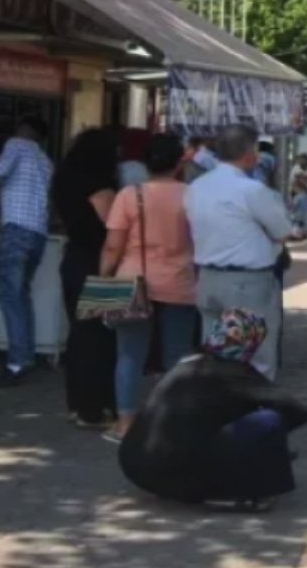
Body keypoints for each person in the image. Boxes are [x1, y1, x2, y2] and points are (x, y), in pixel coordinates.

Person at [118, 309, 307, 511]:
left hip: (136, 467)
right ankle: (232, 492)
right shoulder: (235, 372)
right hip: (176, 476)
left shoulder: (186, 363)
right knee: (269, 420)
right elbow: (297, 411)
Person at [99, 133, 199, 443]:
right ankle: (170, 423)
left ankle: (125, 423)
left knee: (129, 354)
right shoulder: (192, 196)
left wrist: (104, 278)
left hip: (131, 280)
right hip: (180, 282)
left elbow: (113, 246)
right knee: (177, 356)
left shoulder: (130, 195)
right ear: (178, 163)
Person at [184, 124, 292, 381]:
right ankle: (251, 415)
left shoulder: (196, 187)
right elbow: (282, 231)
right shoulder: (252, 190)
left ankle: (219, 413)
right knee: (256, 360)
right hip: (247, 282)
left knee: (216, 358)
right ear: (249, 153)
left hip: (207, 279)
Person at [50, 128, 119, 427]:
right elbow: (112, 228)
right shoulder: (99, 185)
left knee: (79, 335)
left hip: (74, 259)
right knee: (101, 336)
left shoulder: (64, 178)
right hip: (99, 263)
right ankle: (96, 408)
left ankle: (77, 404)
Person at [0, 115, 55, 388]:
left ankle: (16, 363)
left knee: (10, 297)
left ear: (24, 129)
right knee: (22, 295)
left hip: (15, 230)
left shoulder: (16, 145)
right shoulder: (46, 162)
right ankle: (26, 355)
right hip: (38, 233)